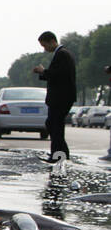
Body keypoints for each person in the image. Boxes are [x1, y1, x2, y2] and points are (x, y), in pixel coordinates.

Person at [32, 31, 76, 162]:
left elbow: (58, 75)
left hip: (61, 97)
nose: (45, 49)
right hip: (61, 97)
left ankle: (57, 156)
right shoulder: (62, 54)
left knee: (54, 125)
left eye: (45, 46)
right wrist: (44, 72)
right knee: (54, 125)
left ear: (52, 41)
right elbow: (56, 74)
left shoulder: (62, 54)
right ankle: (61, 154)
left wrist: (43, 71)